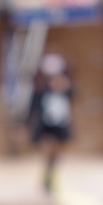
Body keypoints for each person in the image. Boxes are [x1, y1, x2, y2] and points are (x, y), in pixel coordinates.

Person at [29, 54, 73, 193]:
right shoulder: (41, 89)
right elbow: (33, 107)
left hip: (61, 125)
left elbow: (74, 97)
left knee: (57, 154)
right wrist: (25, 124)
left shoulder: (65, 86)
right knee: (49, 150)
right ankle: (47, 178)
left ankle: (51, 176)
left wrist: (65, 87)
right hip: (46, 125)